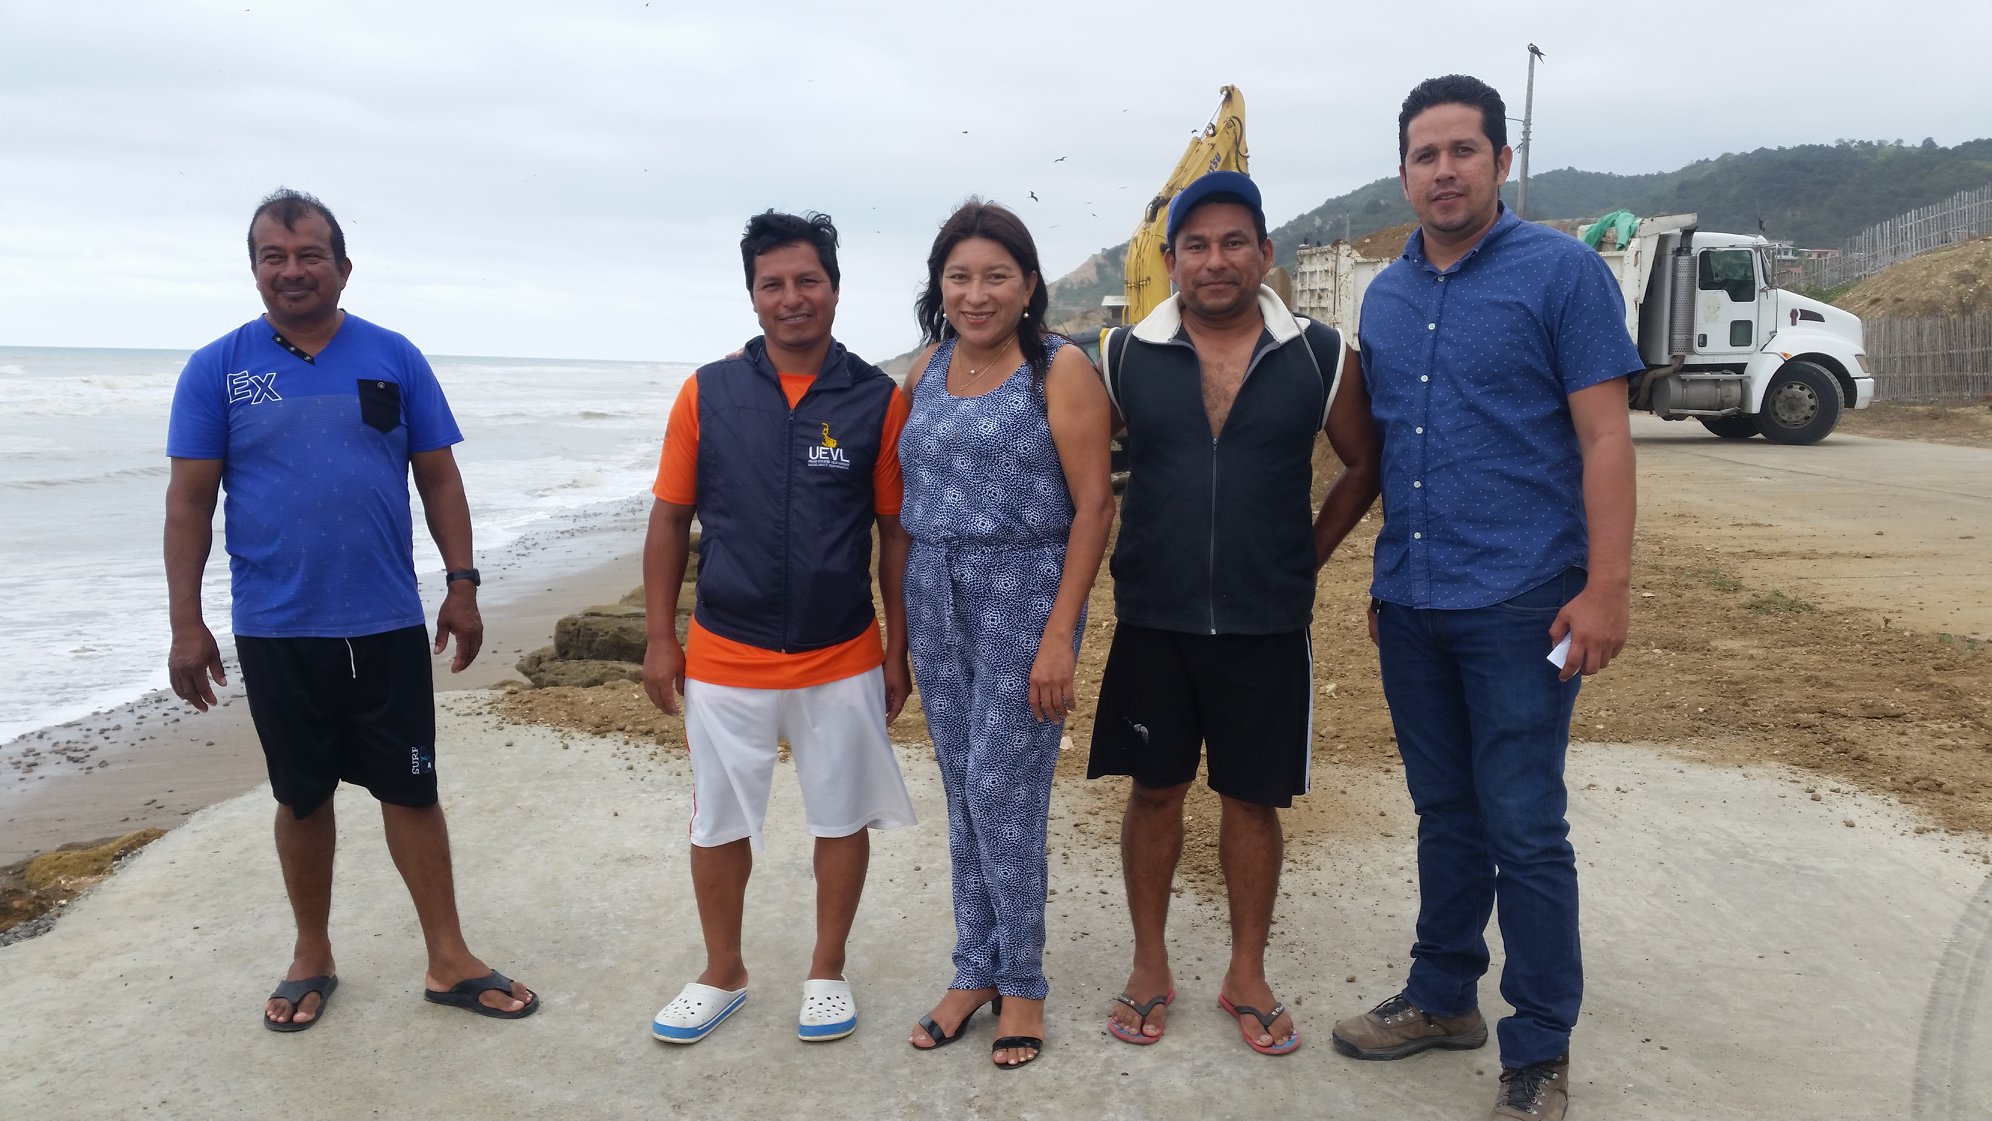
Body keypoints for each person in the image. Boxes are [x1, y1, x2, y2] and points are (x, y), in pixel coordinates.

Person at [1326, 75, 1640, 1121]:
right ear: (1404, 173)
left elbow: (1605, 436)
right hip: (1415, 603)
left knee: (1524, 824)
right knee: (1446, 811)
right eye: (1426, 154)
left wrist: (1606, 587)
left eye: (1464, 150)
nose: (1445, 170)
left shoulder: (1562, 273)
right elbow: (1387, 452)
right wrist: (1388, 580)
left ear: (1502, 161)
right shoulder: (1386, 295)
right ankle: (1442, 993)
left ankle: (1539, 1047)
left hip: (1524, 604)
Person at [165, 188, 537, 1031]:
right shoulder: (217, 368)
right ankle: (312, 953)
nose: (292, 270)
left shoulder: (393, 355)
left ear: (343, 266)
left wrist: (463, 583)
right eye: (274, 256)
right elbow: (189, 502)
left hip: (385, 620)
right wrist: (187, 622)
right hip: (277, 625)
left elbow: (438, 477)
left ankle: (449, 957)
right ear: (254, 269)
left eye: (309, 255)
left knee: (412, 789)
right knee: (301, 797)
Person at [1087, 171, 1381, 1056]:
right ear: (1171, 258)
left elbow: (1364, 462)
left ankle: (1246, 972)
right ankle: (1149, 963)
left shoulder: (1321, 355)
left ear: (1265, 253)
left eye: (1233, 243)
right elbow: (1080, 471)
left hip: (1267, 625)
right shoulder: (1122, 356)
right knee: (1154, 791)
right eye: (1197, 246)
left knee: (1253, 800)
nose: (1215, 261)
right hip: (1155, 618)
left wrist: (1306, 556)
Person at [641, 210, 918, 1047]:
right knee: (717, 822)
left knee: (841, 814)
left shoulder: (876, 399)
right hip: (726, 651)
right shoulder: (708, 392)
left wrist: (896, 647)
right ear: (752, 294)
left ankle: (827, 969)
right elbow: (669, 518)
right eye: (773, 284)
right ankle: (722, 971)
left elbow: (894, 534)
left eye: (808, 280)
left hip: (842, 652)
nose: (792, 297)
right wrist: (661, 636)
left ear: (834, 287)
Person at [897, 201, 1115, 1069]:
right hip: (934, 592)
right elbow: (898, 489)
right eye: (959, 276)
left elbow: (1095, 506)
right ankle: (974, 967)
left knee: (1001, 789)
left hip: (1025, 595)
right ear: (939, 285)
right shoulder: (926, 366)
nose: (976, 293)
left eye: (995, 276)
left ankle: (1022, 978)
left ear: (1028, 284)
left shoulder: (1058, 368)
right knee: (963, 787)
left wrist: (1060, 636)